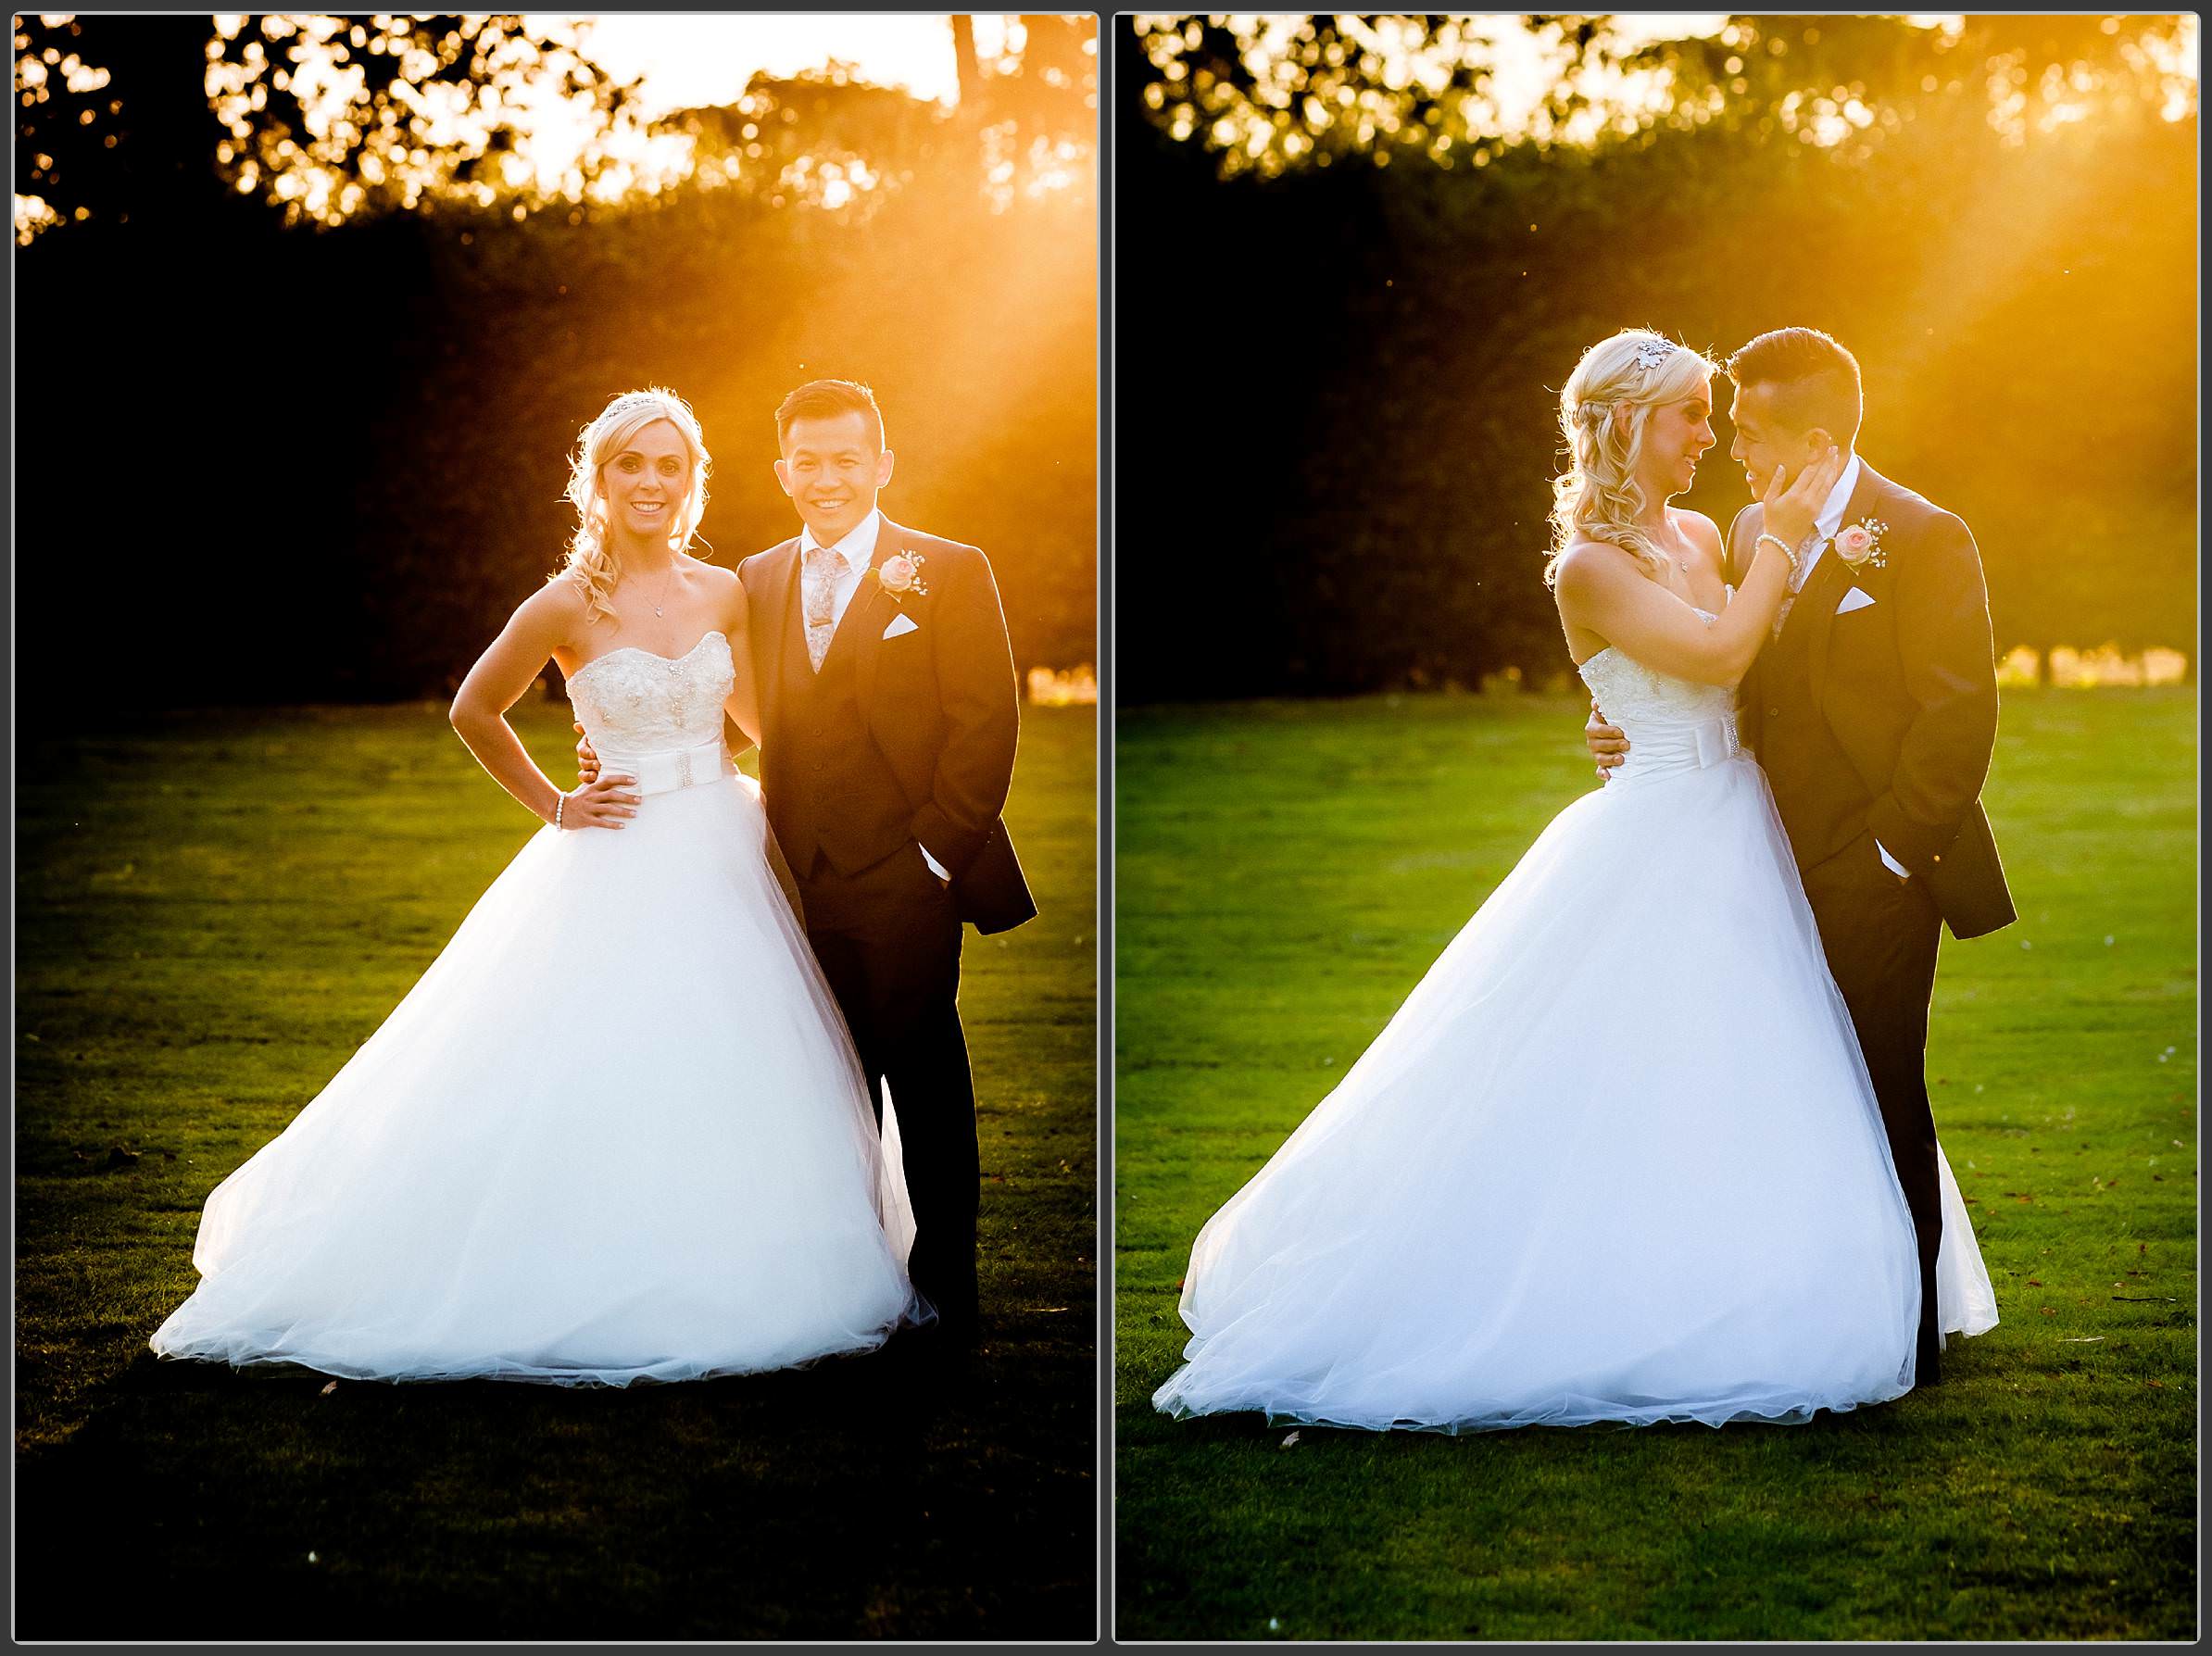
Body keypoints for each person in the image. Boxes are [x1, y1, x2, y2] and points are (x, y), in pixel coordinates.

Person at [1153, 330, 1996, 1434]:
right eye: (1694, 416)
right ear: (1622, 427)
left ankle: (1851, 1298)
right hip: (1667, 836)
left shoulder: (1714, 531)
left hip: (1760, 830)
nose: (1714, 437)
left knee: (1793, 1077)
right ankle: (1629, 1300)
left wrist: (1638, 701)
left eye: (1720, 417)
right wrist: (1656, 686)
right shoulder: (1603, 561)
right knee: (1644, 1079)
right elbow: (1721, 656)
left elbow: (1776, 690)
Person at [150, 388, 926, 1385]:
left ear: (692, 483)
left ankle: (725, 1245)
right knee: (599, 1054)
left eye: (669, 466)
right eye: (630, 466)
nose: (651, 483)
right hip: (621, 847)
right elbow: (476, 708)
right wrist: (560, 802)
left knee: (738, 1054)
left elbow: (763, 722)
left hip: (730, 845)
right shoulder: (567, 603)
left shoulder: (726, 590)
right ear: (597, 482)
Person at [1584, 326, 2016, 1386]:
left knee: (1881, 1090)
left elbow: (1957, 722)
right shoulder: (1745, 529)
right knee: (1784, 1094)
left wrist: (1891, 858)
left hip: (1874, 875)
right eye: (1720, 423)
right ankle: (1800, 1309)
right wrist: (1622, 722)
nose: (1731, 444)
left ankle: (1905, 1335)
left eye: (1749, 427)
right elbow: (1723, 669)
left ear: (1814, 441)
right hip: (1752, 861)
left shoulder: (1921, 536)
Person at [577, 379, 1035, 1345]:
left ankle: (948, 1285)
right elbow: (744, 714)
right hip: (789, 872)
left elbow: (986, 722)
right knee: (826, 1080)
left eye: (846, 459)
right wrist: (611, 747)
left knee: (923, 1072)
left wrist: (936, 855)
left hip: (911, 874)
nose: (828, 478)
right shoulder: (760, 577)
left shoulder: (947, 570)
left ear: (882, 464)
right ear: (782, 471)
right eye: (809, 462)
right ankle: (850, 1279)